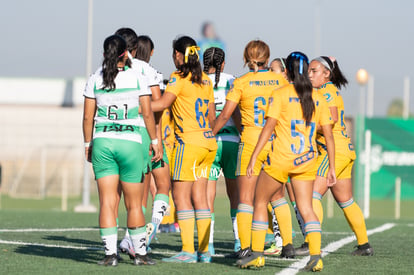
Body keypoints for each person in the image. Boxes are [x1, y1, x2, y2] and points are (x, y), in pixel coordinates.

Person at [237, 52, 336, 271]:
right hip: (307, 160)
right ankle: (316, 256)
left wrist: (254, 156)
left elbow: (269, 127)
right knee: (306, 208)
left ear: (288, 71)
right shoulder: (317, 97)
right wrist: (333, 167)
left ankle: (256, 254)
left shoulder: (280, 93)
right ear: (306, 71)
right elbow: (329, 135)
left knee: (260, 201)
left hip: (281, 159)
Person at [82, 34, 160, 266]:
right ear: (126, 53)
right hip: (131, 142)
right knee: (134, 204)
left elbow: (87, 116)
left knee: (107, 202)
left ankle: (110, 255)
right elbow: (147, 113)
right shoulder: (137, 76)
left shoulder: (95, 77)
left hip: (103, 142)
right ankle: (140, 254)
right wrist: (155, 141)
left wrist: (88, 144)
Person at [212, 40, 290, 260]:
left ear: (246, 58)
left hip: (251, 141)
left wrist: (210, 133)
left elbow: (226, 115)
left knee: (246, 198)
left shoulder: (242, 82)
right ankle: (287, 243)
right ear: (268, 57)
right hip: (276, 142)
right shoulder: (280, 80)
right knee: (276, 196)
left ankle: (246, 247)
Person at [296, 55, 373, 256]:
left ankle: (310, 242)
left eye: (314, 71)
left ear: (326, 74)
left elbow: (329, 122)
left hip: (334, 151)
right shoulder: (323, 91)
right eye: (309, 70)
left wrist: (305, 126)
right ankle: (364, 245)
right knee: (346, 201)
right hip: (343, 151)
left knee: (312, 194)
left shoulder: (326, 92)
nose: (309, 74)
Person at [151, 35, 217, 263]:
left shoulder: (178, 78)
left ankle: (188, 251)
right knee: (200, 198)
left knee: (180, 198)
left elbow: (161, 104)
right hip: (208, 144)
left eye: (174, 54)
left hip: (187, 144)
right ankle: (205, 251)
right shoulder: (206, 80)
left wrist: (134, 103)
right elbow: (211, 116)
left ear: (179, 55)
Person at [113, 28, 169, 258]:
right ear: (133, 49)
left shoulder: (105, 71)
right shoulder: (146, 70)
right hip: (143, 134)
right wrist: (156, 136)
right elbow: (158, 104)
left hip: (114, 135)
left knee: (121, 194)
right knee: (157, 187)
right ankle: (137, 238)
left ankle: (119, 243)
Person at [202, 47, 241, 255]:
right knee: (235, 195)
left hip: (208, 143)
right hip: (231, 142)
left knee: (207, 196)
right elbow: (236, 113)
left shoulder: (197, 80)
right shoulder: (233, 81)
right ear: (223, 63)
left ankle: (207, 244)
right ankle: (238, 241)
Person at [134, 35, 171, 250]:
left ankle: (132, 239)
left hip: (127, 135)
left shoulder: (124, 72)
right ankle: (151, 229)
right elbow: (158, 105)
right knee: (163, 185)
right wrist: (155, 137)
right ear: (152, 52)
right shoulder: (152, 72)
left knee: (137, 194)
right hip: (149, 135)